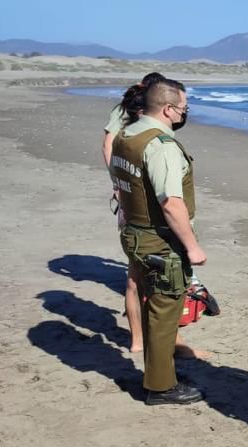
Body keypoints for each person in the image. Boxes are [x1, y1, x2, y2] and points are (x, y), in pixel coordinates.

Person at [110, 79, 208, 405]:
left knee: (152, 305)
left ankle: (160, 373)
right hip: (159, 241)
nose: (185, 113)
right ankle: (161, 386)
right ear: (168, 110)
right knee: (164, 313)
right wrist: (192, 247)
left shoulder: (126, 135)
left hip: (135, 234)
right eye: (183, 108)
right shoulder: (160, 145)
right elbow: (170, 203)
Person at [102, 72, 165, 353]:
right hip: (138, 204)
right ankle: (143, 340)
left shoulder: (140, 116)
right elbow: (108, 143)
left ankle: (141, 339)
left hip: (132, 198)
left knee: (136, 275)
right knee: (141, 277)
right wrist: (118, 182)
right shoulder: (130, 112)